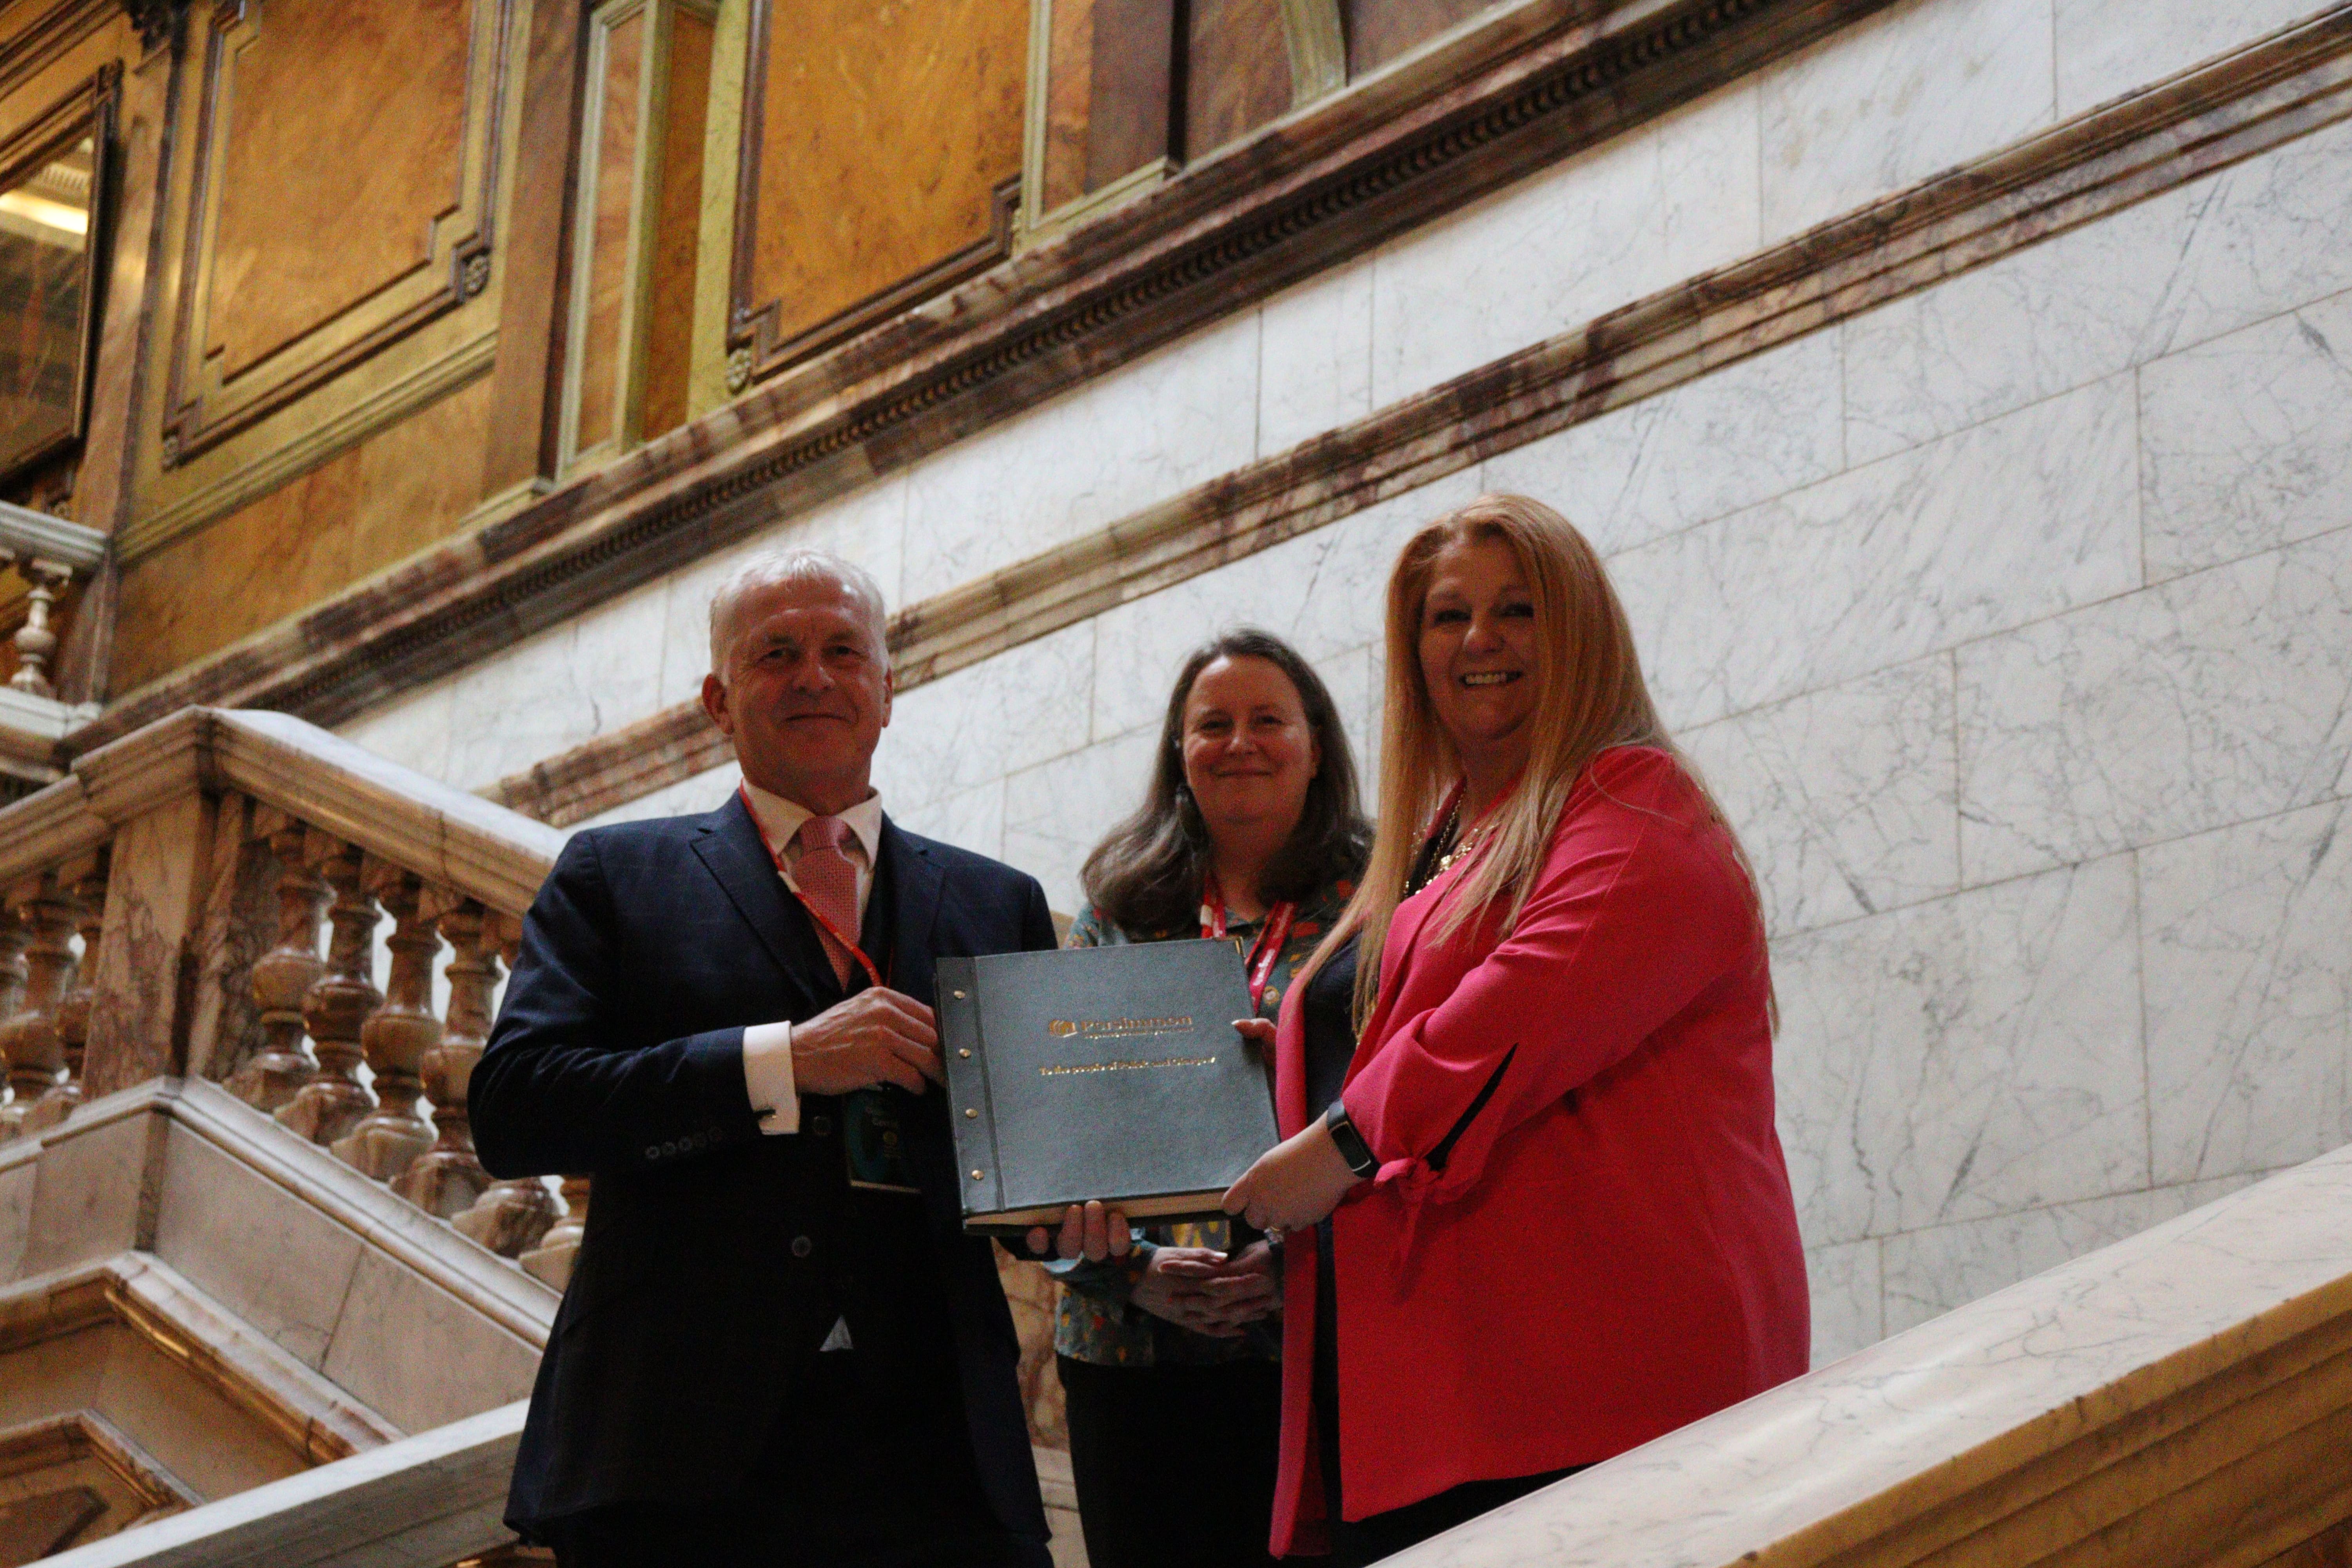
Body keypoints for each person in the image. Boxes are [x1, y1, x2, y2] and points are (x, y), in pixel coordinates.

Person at [472, 548, 1095, 1568]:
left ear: (887, 689)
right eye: (777, 653)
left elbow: (1034, 1170)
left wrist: (1101, 1221)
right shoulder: (613, 876)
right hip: (678, 1463)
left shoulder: (999, 903)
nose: (814, 675)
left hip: (940, 1466)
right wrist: (782, 1064)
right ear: (719, 698)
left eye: (844, 650)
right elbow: (515, 1108)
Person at [1221, 494, 1811, 1564]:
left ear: (1580, 628)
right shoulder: (1437, 837)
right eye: (1448, 618)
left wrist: (1340, 1143)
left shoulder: (1635, 802)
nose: (1480, 640)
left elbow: (1525, 1004)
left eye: (1518, 610)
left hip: (1590, 1399)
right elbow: (1411, 1028)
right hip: (1423, 1395)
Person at [1052, 630, 1372, 1568]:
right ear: (1179, 757)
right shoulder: (1114, 912)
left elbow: (1413, 1108)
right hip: (1128, 1347)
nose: (1240, 742)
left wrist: (1294, 1264)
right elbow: (1059, 1130)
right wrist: (1137, 1270)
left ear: (1316, 747)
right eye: (1212, 724)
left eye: (1268, 719)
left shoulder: (1384, 902)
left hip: (1320, 1344)